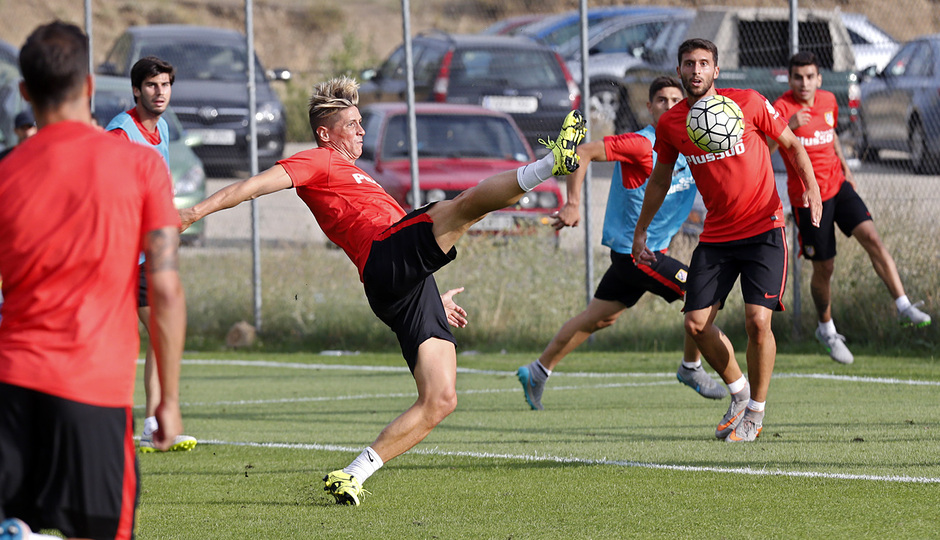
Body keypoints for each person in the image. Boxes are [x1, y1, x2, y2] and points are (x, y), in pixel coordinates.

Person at [178, 76, 586, 505]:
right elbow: (250, 186)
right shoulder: (317, 160)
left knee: (441, 399)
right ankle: (549, 164)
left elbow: (413, 243)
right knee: (463, 208)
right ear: (325, 134)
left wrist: (432, 294)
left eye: (359, 122)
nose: (361, 130)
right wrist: (193, 211)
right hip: (383, 259)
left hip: (403, 284)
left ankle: (353, 474)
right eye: (352, 124)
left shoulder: (357, 174)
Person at [0, 21, 186, 539]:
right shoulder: (141, 167)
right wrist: (167, 400)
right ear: (88, 86)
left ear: (23, 92)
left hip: (11, 386)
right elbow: (166, 289)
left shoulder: (5, 173)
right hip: (92, 393)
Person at [632, 38, 823, 443]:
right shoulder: (671, 124)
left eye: (704, 63)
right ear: (680, 71)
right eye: (688, 64)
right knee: (696, 324)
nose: (696, 71)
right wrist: (641, 228)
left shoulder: (749, 103)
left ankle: (756, 413)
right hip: (717, 236)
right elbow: (661, 178)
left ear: (716, 70)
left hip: (764, 229)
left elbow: (791, 145)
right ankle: (739, 393)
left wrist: (813, 192)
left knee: (758, 322)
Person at [517, 76, 726, 410]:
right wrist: (573, 203)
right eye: (662, 100)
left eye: (677, 100)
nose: (670, 106)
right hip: (637, 255)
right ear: (650, 107)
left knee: (599, 318)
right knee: (702, 293)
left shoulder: (694, 144)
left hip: (642, 254)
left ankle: (537, 371)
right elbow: (583, 152)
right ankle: (691, 368)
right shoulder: (641, 144)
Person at [770, 51, 931, 365]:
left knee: (872, 238)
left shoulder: (828, 100)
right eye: (798, 77)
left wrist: (847, 169)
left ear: (819, 78)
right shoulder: (781, 109)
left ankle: (903, 305)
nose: (804, 83)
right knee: (825, 268)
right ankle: (826, 329)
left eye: (810, 76)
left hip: (838, 185)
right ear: (789, 80)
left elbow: (832, 137)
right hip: (808, 200)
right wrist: (787, 126)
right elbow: (764, 149)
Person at [105, 55, 198, 452]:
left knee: (162, 335)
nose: (159, 93)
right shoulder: (121, 134)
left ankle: (152, 422)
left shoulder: (160, 132)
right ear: (136, 90)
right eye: (151, 86)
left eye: (165, 85)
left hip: (144, 259)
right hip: (114, 257)